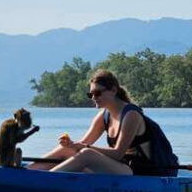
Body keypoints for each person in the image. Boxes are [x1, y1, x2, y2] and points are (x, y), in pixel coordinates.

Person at [30, 69, 179, 176]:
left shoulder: (131, 115)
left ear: (113, 90)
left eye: (98, 93)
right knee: (66, 150)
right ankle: (27, 173)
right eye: (91, 94)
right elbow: (83, 143)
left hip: (143, 172)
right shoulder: (103, 116)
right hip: (122, 167)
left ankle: (44, 180)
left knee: (87, 153)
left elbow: (118, 154)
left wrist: (83, 147)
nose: (94, 97)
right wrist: (71, 145)